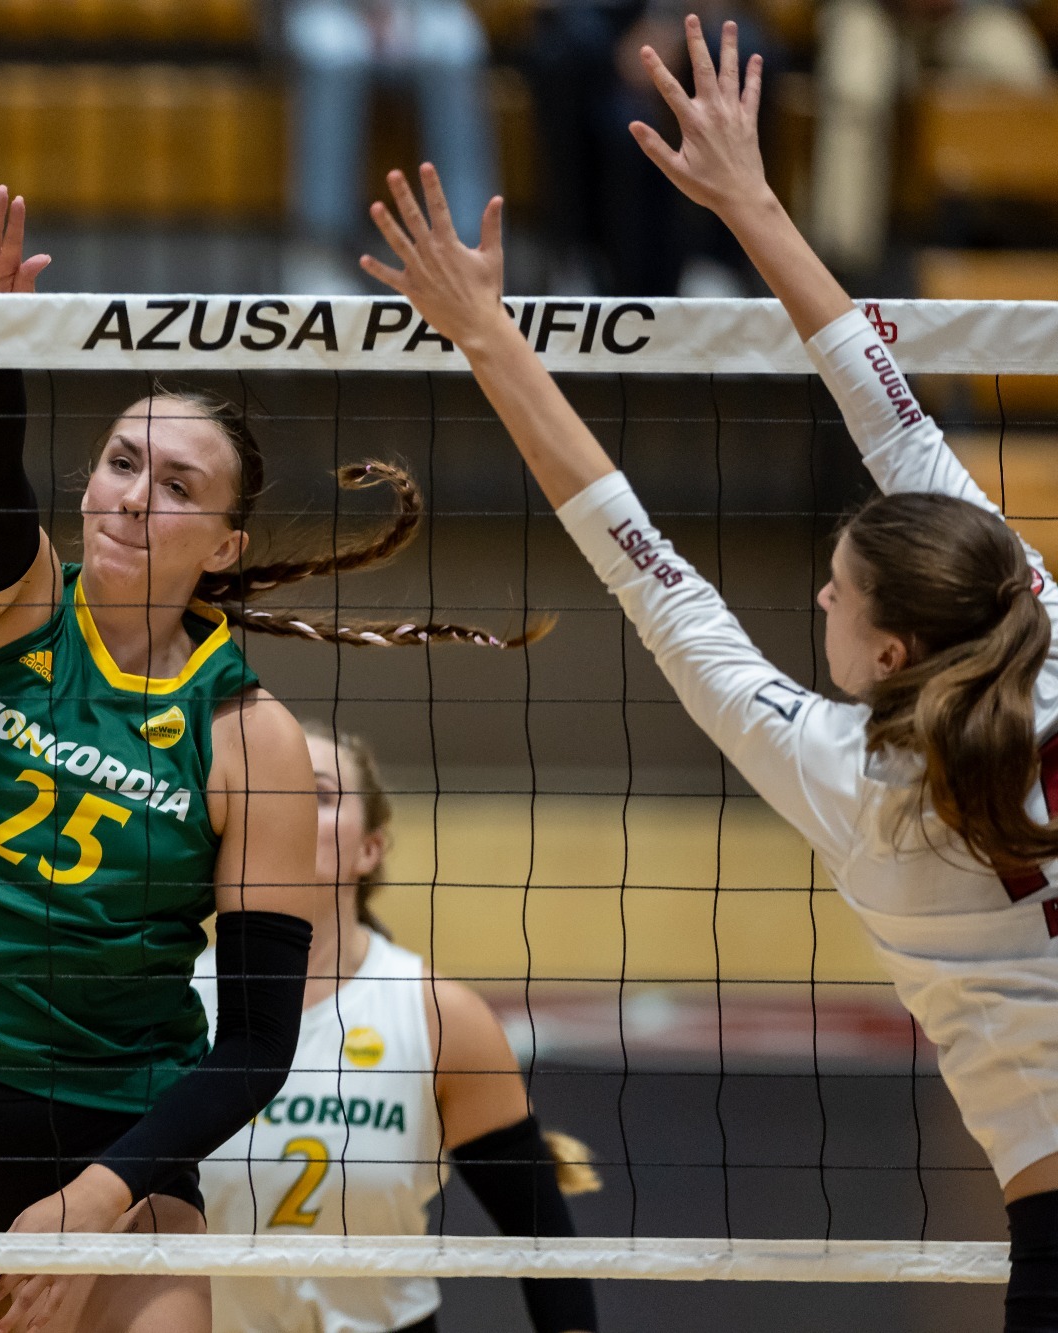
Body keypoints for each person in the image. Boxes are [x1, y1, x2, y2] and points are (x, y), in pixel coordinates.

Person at [360, 16, 1058, 1328]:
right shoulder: (1037, 616)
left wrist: (487, 337)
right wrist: (749, 195)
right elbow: (885, 403)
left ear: (890, 653)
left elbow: (639, 555)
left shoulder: (853, 778)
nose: (817, 599)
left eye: (836, 596)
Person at [0, 187, 537, 1333]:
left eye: (176, 485)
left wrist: (96, 1202)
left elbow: (254, 1045)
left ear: (225, 544)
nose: (131, 497)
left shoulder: (251, 740)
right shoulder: (5, 612)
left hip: (117, 1146)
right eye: (118, 462)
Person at [196, 722, 600, 1333]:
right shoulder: (169, 1002)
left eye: (321, 795)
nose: (292, 814)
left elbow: (546, 1248)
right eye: (266, 794)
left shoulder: (442, 1019)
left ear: (369, 848)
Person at [811, 0, 1049, 281]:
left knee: (1019, 70)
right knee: (856, 86)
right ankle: (841, 271)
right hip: (872, 13)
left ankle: (1016, 257)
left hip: (969, 14)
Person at [281, 0, 501, 292]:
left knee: (455, 48)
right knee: (333, 54)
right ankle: (321, 251)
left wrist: (401, 15)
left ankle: (467, 254)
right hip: (329, 8)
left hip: (424, 9)